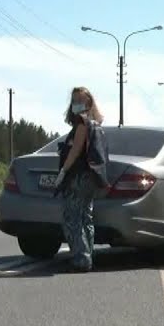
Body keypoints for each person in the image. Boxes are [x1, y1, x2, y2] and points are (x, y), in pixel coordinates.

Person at [54, 86, 106, 272]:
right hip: (91, 177)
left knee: (72, 217)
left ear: (89, 103)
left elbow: (76, 150)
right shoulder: (96, 125)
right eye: (74, 100)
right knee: (85, 217)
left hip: (78, 176)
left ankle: (81, 258)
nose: (77, 104)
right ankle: (87, 255)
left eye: (80, 100)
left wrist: (63, 171)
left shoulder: (83, 123)